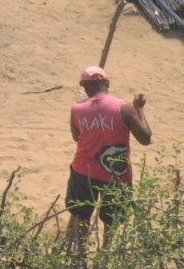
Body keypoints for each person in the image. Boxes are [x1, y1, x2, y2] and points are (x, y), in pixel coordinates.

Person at [67, 65, 152, 254]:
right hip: (117, 174)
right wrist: (139, 109)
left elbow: (76, 136)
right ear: (107, 83)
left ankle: (80, 250)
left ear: (84, 87)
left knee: (81, 214)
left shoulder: (77, 109)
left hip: (84, 170)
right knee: (112, 217)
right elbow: (146, 139)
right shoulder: (124, 108)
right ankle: (105, 251)